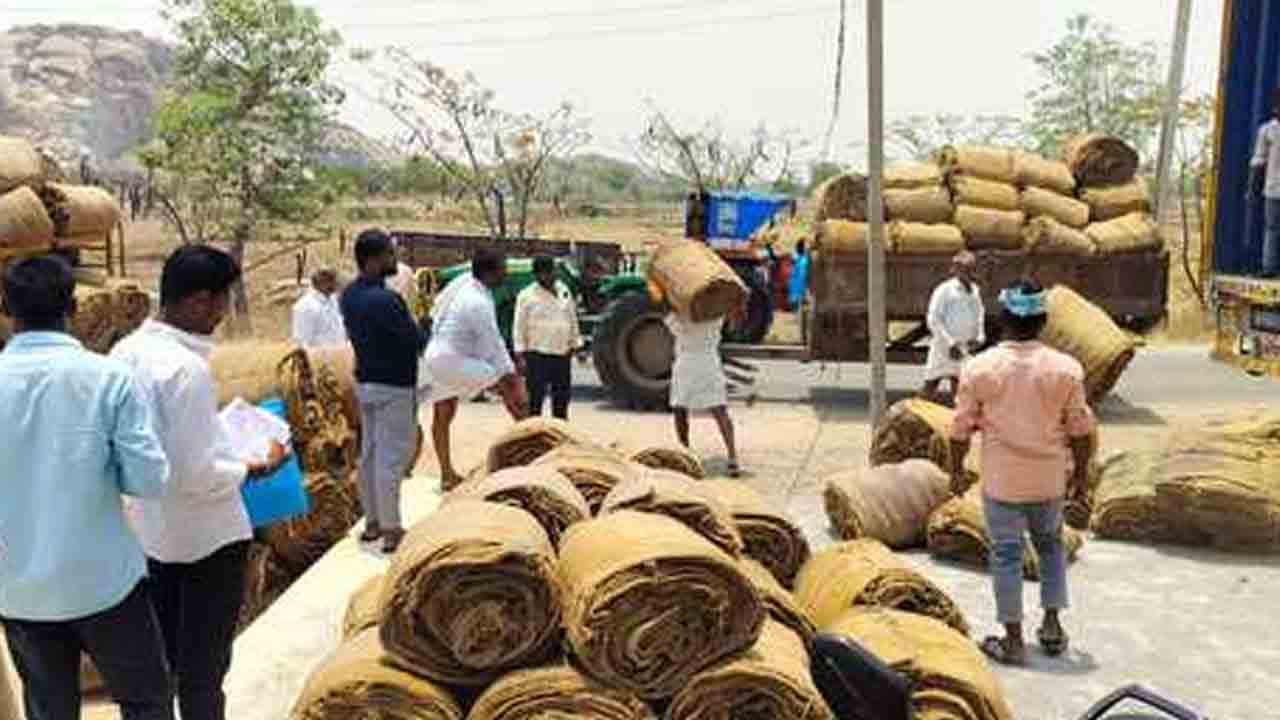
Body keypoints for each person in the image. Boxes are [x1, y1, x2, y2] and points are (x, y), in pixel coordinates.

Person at [111, 246, 289, 720]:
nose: (223, 314)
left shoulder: (124, 354)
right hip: (208, 541)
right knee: (204, 674)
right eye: (222, 302)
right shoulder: (184, 371)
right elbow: (196, 474)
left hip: (152, 536)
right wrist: (254, 466)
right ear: (197, 302)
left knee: (163, 662)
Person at [0, 256, 173, 720]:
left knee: (49, 709)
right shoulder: (107, 378)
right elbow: (149, 480)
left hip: (18, 587)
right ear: (72, 306)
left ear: (7, 308)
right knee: (146, 702)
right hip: (104, 582)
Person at [949, 280, 1095, 667]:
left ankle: (1013, 640)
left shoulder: (979, 368)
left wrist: (954, 473)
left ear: (1003, 319)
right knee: (1050, 549)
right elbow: (1081, 430)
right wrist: (1080, 476)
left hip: (1002, 483)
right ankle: (1051, 626)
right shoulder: (1066, 370)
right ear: (1043, 321)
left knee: (1007, 556)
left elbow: (960, 429)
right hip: (1049, 480)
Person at [339, 229, 428, 553]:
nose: (395, 260)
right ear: (375, 259)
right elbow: (415, 340)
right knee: (392, 458)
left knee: (370, 456)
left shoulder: (348, 295)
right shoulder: (387, 300)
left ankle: (372, 522)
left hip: (366, 383)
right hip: (394, 387)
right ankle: (392, 530)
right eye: (390, 254)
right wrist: (423, 325)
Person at [423, 250, 529, 489]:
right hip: (452, 360)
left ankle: (446, 475)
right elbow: (493, 345)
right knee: (510, 387)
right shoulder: (478, 302)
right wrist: (511, 376)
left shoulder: (465, 284)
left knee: (443, 413)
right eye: (503, 269)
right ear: (490, 273)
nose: (506, 274)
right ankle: (530, 442)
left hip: (436, 357)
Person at [666, 305, 742, 478]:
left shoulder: (681, 316)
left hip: (686, 364)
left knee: (680, 410)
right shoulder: (716, 315)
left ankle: (685, 454)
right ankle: (732, 456)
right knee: (720, 411)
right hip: (709, 362)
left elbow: (669, 322)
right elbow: (731, 323)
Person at [513, 255, 581, 420]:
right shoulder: (527, 296)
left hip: (561, 354)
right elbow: (518, 326)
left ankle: (561, 438)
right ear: (537, 275)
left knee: (561, 400)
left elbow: (571, 316)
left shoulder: (563, 289)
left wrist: (574, 342)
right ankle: (533, 440)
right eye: (545, 273)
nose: (550, 276)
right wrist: (520, 355)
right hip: (537, 355)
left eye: (552, 272)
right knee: (535, 401)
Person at [923, 251, 985, 403]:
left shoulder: (975, 290)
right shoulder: (945, 290)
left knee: (961, 387)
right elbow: (933, 318)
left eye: (971, 269)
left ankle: (955, 420)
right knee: (931, 384)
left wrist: (979, 337)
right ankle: (916, 414)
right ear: (955, 270)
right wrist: (950, 343)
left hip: (965, 346)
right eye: (963, 269)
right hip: (944, 346)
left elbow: (979, 315)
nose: (968, 273)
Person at [1248, 87, 1280, 278]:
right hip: (1273, 189)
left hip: (1274, 189)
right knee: (1272, 229)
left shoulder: (1267, 131)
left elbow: (1258, 163)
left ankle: (1269, 268)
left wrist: (1252, 190)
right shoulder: (1268, 131)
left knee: (1272, 230)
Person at [291, 267, 347, 348]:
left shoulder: (334, 301)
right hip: (318, 357)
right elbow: (302, 341)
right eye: (332, 281)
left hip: (339, 355)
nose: (336, 284)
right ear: (323, 283)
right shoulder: (305, 306)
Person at [789, 240, 811, 342]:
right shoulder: (803, 260)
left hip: (802, 293)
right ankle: (804, 338)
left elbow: (801, 278)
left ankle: (805, 339)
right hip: (801, 292)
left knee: (804, 316)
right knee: (803, 316)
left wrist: (801, 293)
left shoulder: (801, 261)